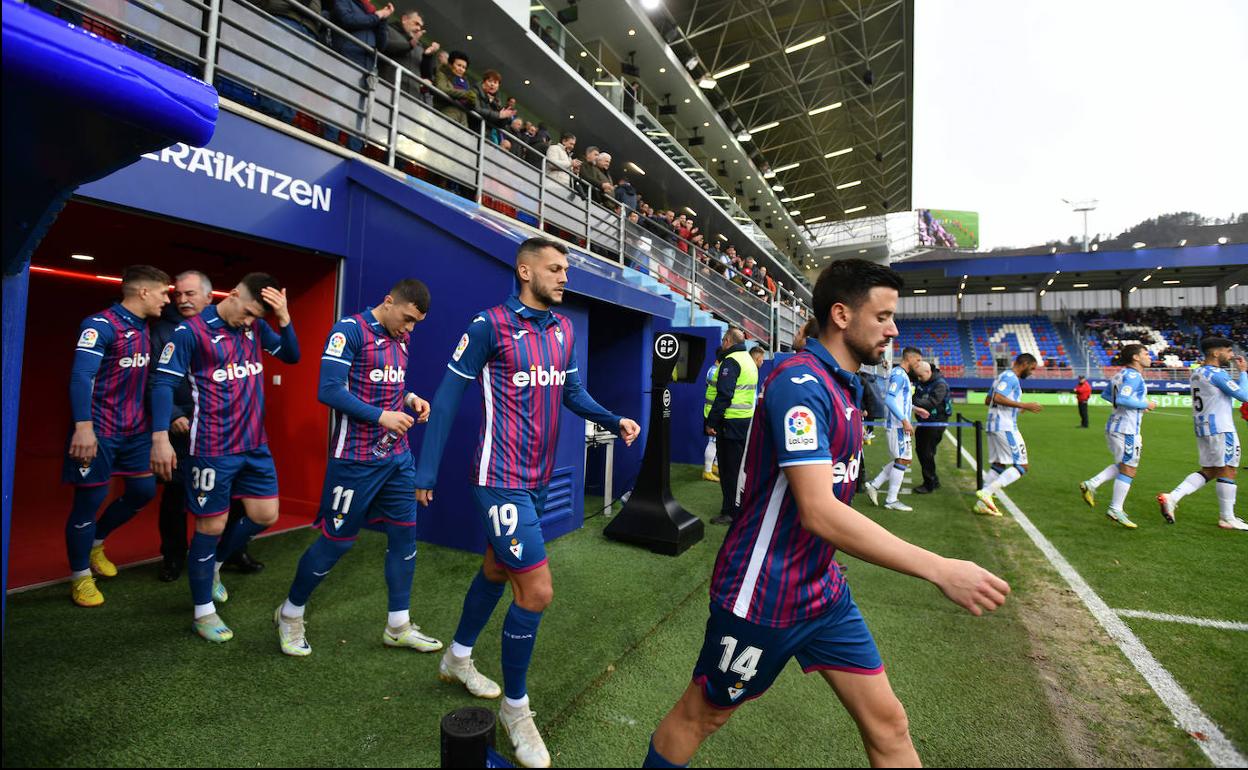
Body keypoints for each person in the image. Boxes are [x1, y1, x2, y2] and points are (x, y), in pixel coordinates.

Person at [642, 259, 1010, 769]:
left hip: (823, 591)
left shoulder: (845, 385)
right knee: (701, 716)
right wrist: (940, 568)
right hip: (763, 593)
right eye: (882, 317)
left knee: (889, 725)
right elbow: (819, 512)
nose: (894, 329)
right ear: (841, 315)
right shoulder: (800, 385)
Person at [414, 238, 641, 768]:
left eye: (566, 270)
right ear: (524, 270)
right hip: (499, 479)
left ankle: (457, 657)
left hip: (536, 482)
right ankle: (518, 712)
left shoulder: (563, 330)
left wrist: (613, 418)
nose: (564, 277)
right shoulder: (488, 325)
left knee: (497, 570)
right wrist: (425, 469)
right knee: (535, 593)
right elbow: (447, 396)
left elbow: (572, 393)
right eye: (555, 268)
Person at [276, 280, 443, 656]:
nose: (410, 328)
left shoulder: (401, 337)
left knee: (404, 539)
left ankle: (398, 626)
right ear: (388, 301)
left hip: (397, 459)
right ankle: (290, 614)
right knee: (337, 543)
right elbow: (329, 390)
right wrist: (382, 416)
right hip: (354, 460)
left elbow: (386, 384)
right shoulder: (348, 331)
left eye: (417, 323)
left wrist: (411, 398)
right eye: (407, 319)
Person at [150, 273, 300, 643]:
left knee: (265, 515)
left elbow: (292, 356)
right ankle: (203, 612)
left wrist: (283, 319)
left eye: (256, 318)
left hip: (255, 446)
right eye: (248, 312)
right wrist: (160, 438)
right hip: (212, 449)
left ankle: (214, 566)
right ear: (232, 295)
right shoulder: (190, 333)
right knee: (210, 527)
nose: (249, 322)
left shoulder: (255, 330)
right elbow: (162, 384)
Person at [64, 265, 171, 607]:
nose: (167, 299)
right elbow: (81, 377)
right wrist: (83, 427)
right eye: (163, 292)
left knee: (142, 491)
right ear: (143, 292)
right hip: (100, 431)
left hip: (135, 431)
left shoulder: (146, 328)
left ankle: (96, 543)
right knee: (88, 503)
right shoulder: (100, 326)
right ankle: (80, 577)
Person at [152, 270, 213, 583]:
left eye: (190, 294)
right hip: (180, 427)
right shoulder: (163, 331)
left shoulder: (224, 328)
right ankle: (173, 558)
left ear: (207, 296)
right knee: (175, 496)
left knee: (231, 495)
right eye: (178, 295)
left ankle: (231, 553)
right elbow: (154, 378)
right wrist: (173, 414)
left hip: (216, 427)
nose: (182, 300)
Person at [1157, 337, 1247, 530]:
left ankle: (1172, 497)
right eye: (1228, 351)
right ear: (1216, 353)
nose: (1231, 355)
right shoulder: (1217, 374)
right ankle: (1227, 517)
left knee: (1211, 470)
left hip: (1203, 427)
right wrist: (1244, 373)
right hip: (1221, 428)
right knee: (1229, 469)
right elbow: (1244, 396)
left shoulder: (1197, 372)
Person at [1079, 344, 1158, 528]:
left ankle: (1092, 484)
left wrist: (1138, 405)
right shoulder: (1134, 376)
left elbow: (1107, 396)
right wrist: (1145, 403)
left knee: (1125, 465)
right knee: (1129, 468)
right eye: (1146, 353)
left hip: (1115, 426)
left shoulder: (1120, 374)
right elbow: (1122, 399)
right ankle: (1115, 508)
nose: (1149, 356)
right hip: (1126, 429)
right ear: (1136, 357)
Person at [974, 353, 1042, 516]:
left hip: (994, 425)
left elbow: (988, 400)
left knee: (998, 465)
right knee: (1022, 466)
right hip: (1005, 427)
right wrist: (1023, 404)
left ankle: (981, 504)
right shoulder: (1011, 377)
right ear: (1024, 363)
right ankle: (987, 492)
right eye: (1031, 368)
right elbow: (997, 398)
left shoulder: (1001, 376)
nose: (1031, 373)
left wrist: (1018, 408)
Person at [704, 327, 758, 526]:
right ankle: (739, 507)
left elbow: (724, 395)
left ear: (728, 341)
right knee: (737, 468)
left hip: (730, 422)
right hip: (744, 421)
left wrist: (712, 422)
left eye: (723, 340)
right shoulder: (748, 360)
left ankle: (730, 511)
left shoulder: (731, 361)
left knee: (729, 470)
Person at [864, 347, 924, 512]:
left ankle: (874, 485)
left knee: (903, 459)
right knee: (902, 460)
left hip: (899, 425)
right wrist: (905, 420)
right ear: (909, 358)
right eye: (917, 360)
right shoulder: (899, 375)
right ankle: (891, 500)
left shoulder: (902, 375)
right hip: (897, 425)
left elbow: (899, 400)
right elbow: (890, 401)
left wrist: (915, 409)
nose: (919, 364)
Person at [912, 360, 950, 495]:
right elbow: (917, 397)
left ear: (928, 372)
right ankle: (933, 480)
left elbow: (931, 403)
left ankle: (929, 484)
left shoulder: (940, 384)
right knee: (922, 451)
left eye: (921, 376)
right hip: (924, 422)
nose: (919, 379)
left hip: (936, 423)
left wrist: (913, 401)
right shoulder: (923, 382)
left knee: (926, 452)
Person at [701, 342, 727, 483]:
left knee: (716, 440)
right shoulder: (715, 371)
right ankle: (707, 471)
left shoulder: (715, 369)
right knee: (713, 440)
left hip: (714, 409)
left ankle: (714, 466)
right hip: (712, 411)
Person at [435, 50, 476, 126]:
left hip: (463, 117)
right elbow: (441, 89)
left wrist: (472, 101)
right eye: (459, 65)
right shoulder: (442, 74)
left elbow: (470, 106)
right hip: (446, 111)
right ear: (450, 64)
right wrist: (465, 94)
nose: (461, 69)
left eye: (464, 67)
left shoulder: (465, 82)